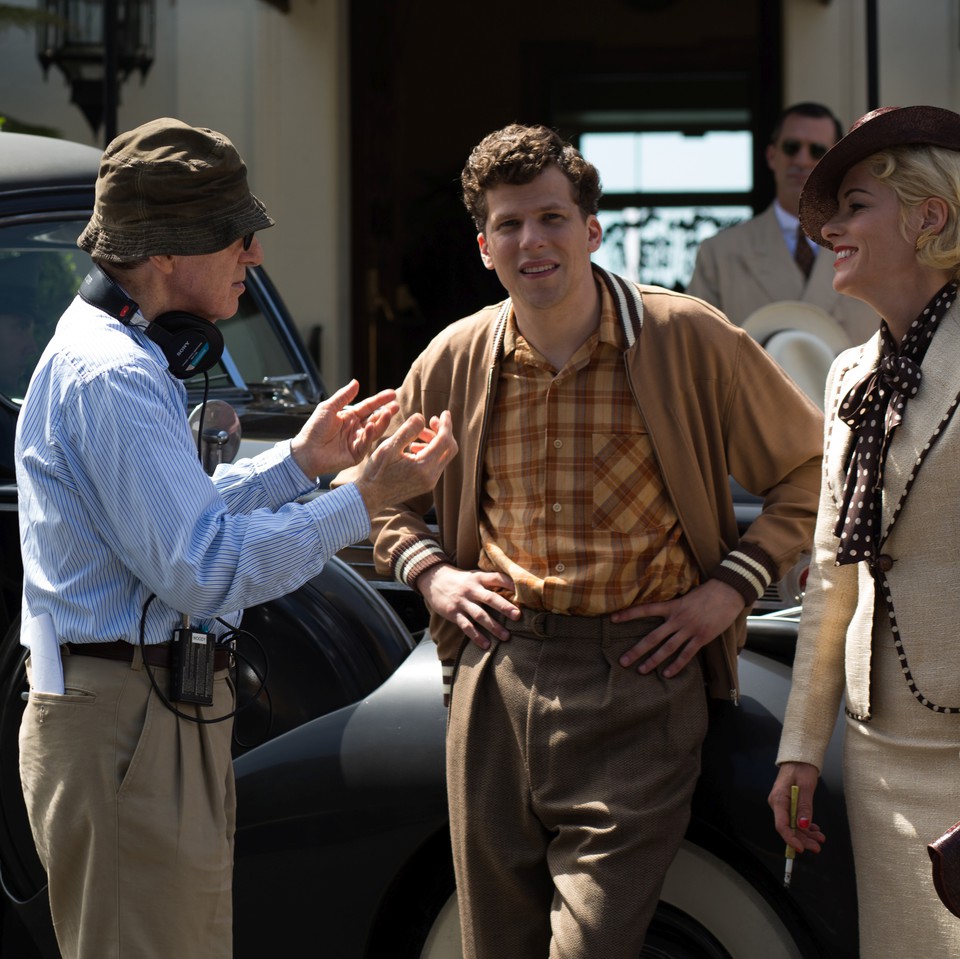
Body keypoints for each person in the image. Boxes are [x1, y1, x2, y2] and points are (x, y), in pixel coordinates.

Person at [338, 123, 823, 957]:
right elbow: (376, 497)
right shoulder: (454, 358)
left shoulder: (686, 337)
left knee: (592, 945)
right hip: (496, 678)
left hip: (642, 677)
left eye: (552, 218)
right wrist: (432, 575)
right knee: (495, 944)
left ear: (592, 231)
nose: (532, 240)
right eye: (509, 224)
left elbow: (813, 468)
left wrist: (730, 589)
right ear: (484, 247)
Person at [14, 117, 457, 959]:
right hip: (130, 722)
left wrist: (300, 464)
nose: (253, 254)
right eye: (234, 233)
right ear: (164, 249)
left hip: (136, 715)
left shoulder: (118, 357)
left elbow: (173, 523)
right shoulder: (116, 374)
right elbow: (205, 569)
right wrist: (365, 498)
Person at [769, 104, 960, 955]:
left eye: (854, 206)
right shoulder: (850, 373)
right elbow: (832, 576)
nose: (830, 230)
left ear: (930, 217)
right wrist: (802, 748)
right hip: (877, 751)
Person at [687, 102, 878, 347]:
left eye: (817, 151)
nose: (801, 160)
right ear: (771, 155)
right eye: (791, 147)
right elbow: (697, 348)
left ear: (834, 163)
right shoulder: (719, 254)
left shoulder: (872, 247)